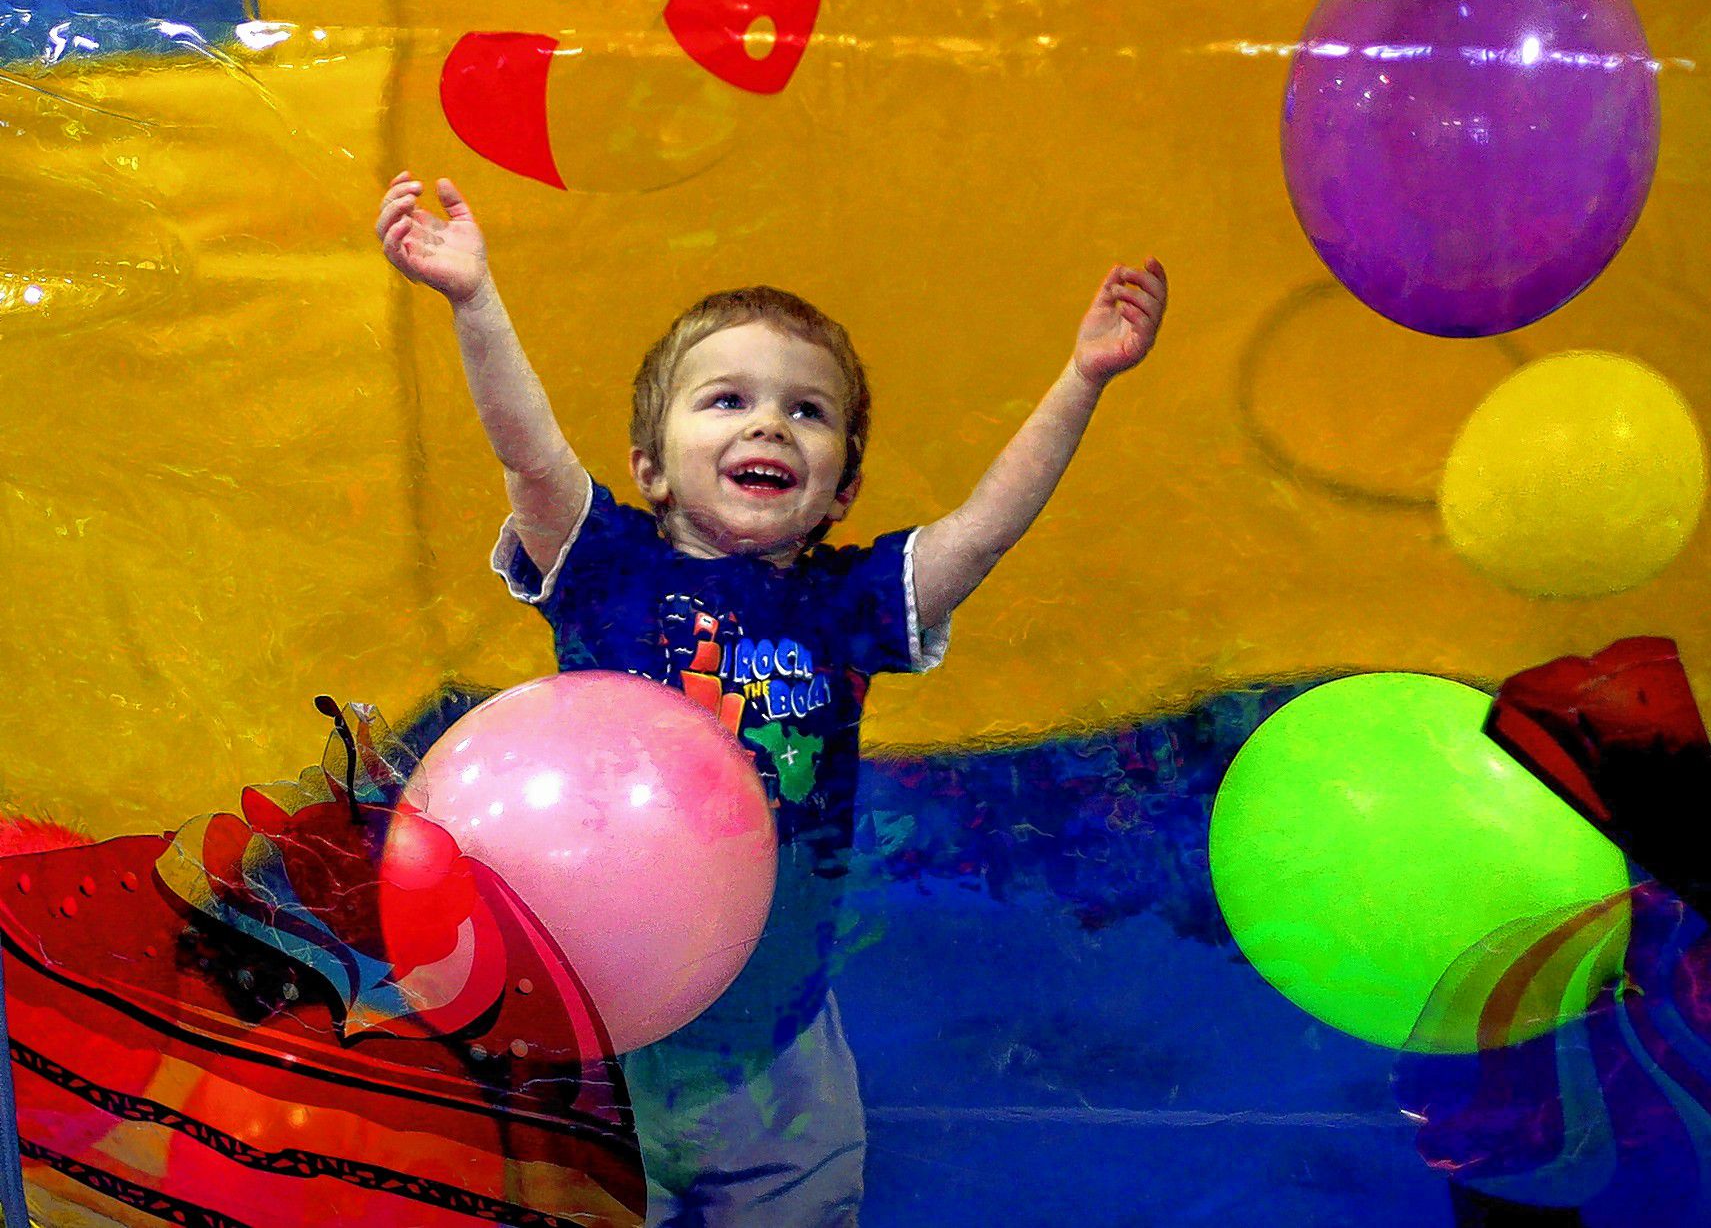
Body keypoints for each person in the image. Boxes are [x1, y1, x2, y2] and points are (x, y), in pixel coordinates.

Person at [375, 171, 1167, 1226]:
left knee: (801, 1205)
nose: (771, 426)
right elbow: (526, 451)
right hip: (593, 1023)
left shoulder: (843, 601)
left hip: (775, 1036)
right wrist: (475, 302)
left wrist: (1082, 379)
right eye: (728, 399)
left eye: (808, 411)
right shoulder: (608, 563)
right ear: (650, 466)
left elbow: (982, 529)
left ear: (842, 487)